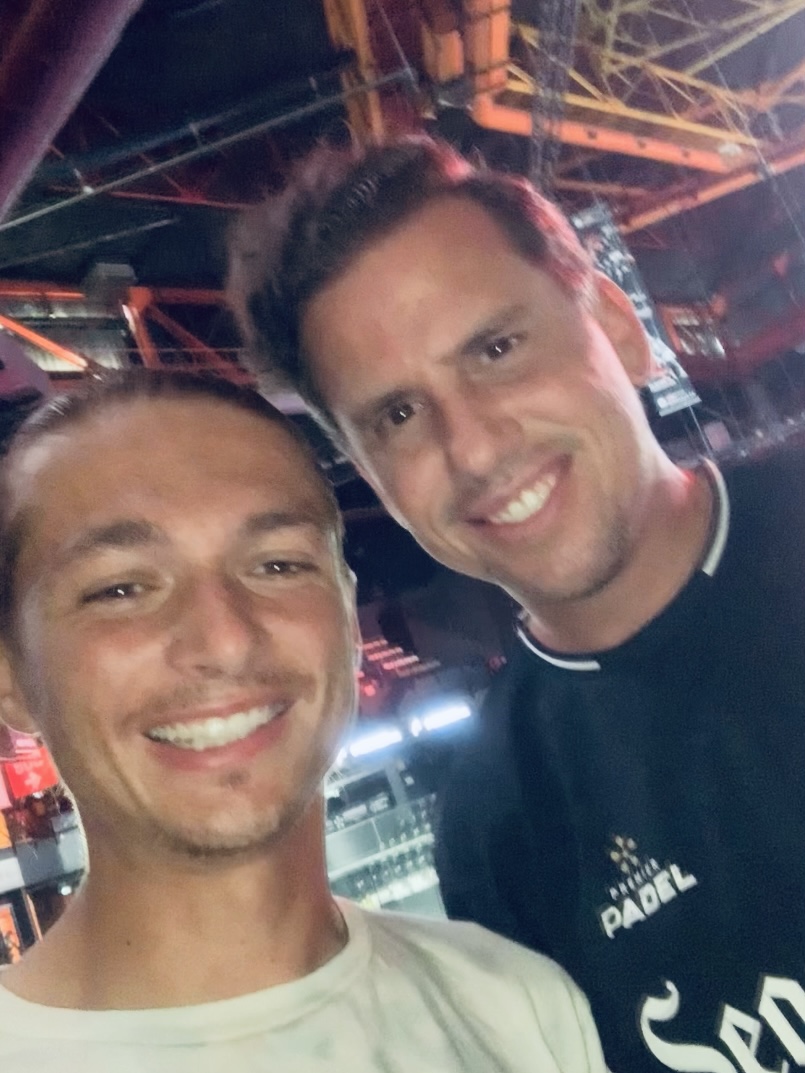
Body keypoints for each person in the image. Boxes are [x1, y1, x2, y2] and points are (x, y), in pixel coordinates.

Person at [228, 135, 805, 1073]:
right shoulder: (499, 830)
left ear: (616, 325)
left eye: (496, 348)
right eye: (398, 415)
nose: (473, 447)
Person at [0, 369, 607, 1071]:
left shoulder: (517, 1005)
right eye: (120, 588)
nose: (225, 639)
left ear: (347, 619)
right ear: (11, 676)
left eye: (278, 566)